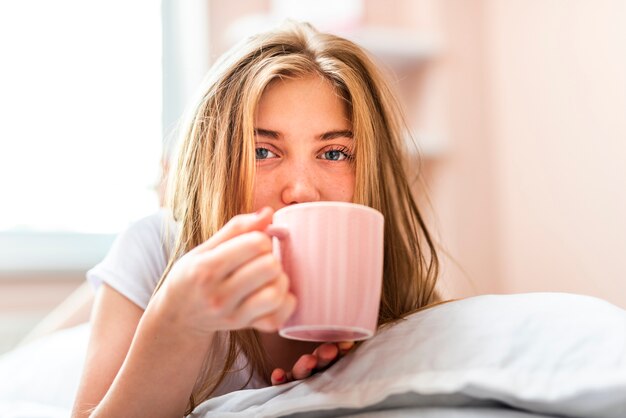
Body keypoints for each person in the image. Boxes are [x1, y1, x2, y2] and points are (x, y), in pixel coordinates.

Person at [71, 20, 440, 418]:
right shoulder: (155, 249)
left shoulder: (392, 281)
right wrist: (176, 323)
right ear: (215, 164)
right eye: (263, 151)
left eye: (333, 153)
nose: (300, 190)